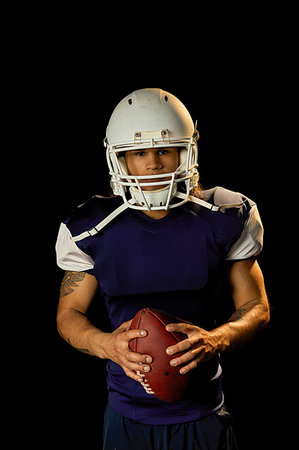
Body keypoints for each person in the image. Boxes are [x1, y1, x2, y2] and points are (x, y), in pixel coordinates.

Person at [55, 88, 270, 449]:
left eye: (164, 150)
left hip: (204, 413)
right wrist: (106, 343)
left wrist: (216, 338)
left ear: (186, 152)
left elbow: (258, 308)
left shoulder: (226, 216)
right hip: (126, 415)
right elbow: (68, 314)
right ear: (120, 159)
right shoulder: (91, 226)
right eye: (139, 152)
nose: (153, 164)